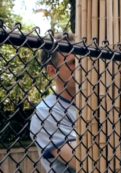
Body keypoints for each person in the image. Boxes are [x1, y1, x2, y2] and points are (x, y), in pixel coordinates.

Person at [30, 33, 77, 173]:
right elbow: (86, 161)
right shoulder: (46, 112)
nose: (82, 66)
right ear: (52, 71)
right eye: (73, 62)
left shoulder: (97, 101)